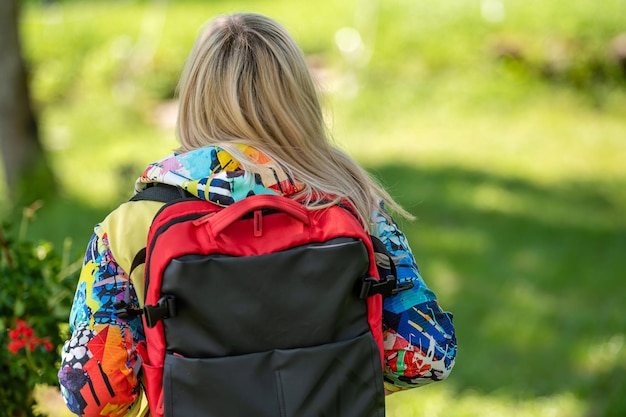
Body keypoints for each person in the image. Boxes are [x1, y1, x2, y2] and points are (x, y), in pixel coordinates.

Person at [58, 12, 457, 417]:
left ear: (193, 98)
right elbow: (429, 353)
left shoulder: (131, 226)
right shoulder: (352, 204)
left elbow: (92, 393)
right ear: (299, 98)